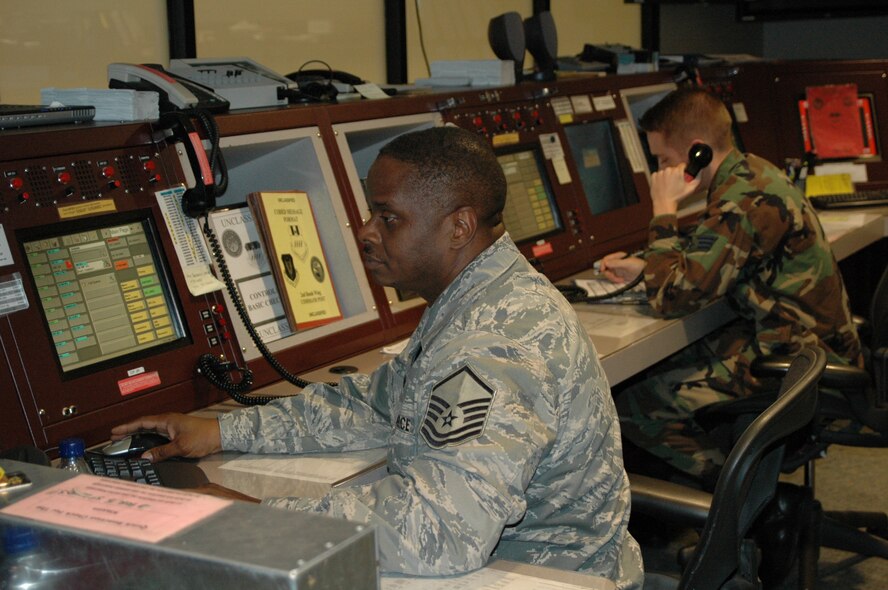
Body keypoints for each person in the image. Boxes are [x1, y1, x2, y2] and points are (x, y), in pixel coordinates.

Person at [113, 127, 643, 588]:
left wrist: (254, 514)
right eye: (372, 212)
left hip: (548, 577)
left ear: (459, 227)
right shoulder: (478, 299)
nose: (366, 232)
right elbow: (377, 402)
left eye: (388, 218)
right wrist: (222, 433)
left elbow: (439, 529)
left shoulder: (491, 344)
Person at [599, 87, 862, 486]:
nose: (662, 170)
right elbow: (721, 253)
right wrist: (648, 264)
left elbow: (672, 298)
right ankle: (740, 486)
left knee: (633, 401)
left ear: (697, 151)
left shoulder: (741, 200)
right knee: (662, 369)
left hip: (799, 363)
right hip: (813, 347)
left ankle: (740, 495)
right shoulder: (751, 172)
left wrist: (664, 212)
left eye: (665, 159)